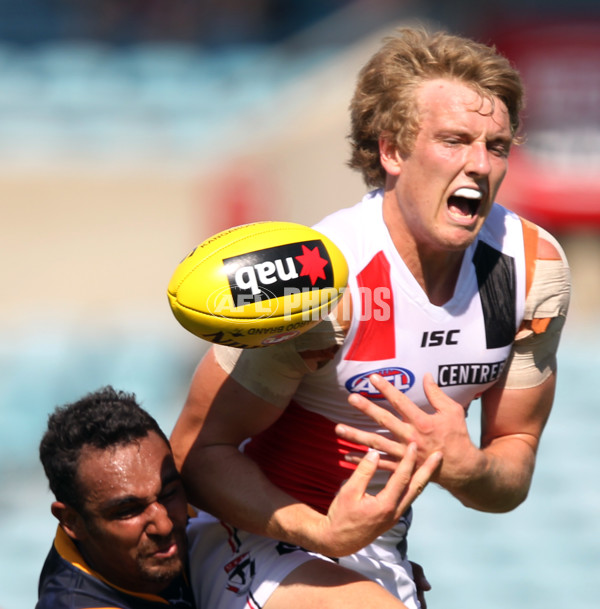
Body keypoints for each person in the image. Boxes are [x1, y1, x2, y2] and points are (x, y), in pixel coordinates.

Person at [169, 27, 571, 609]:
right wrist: (321, 533)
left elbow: (511, 469)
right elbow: (196, 455)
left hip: (378, 550)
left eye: (497, 146)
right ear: (392, 152)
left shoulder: (534, 270)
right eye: (454, 140)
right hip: (258, 531)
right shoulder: (318, 281)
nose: (480, 165)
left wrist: (467, 468)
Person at [37, 386, 196, 609]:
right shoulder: (76, 603)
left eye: (169, 494)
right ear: (71, 521)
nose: (164, 525)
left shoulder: (196, 492)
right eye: (128, 510)